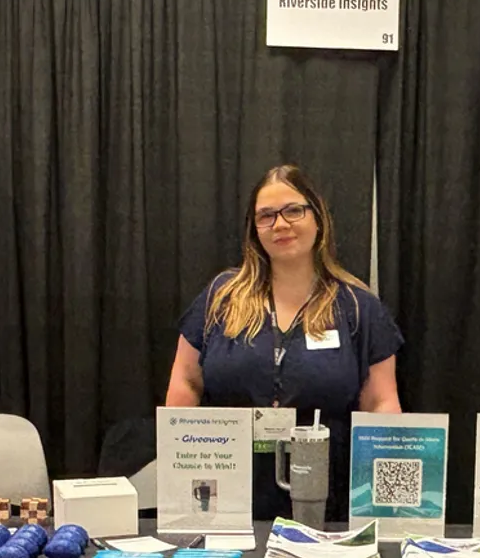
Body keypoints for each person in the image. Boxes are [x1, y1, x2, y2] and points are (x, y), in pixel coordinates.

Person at [165, 164, 404, 522]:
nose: (280, 224)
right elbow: (185, 382)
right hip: (227, 494)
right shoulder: (221, 297)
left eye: (293, 210)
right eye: (266, 216)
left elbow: (381, 403)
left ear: (318, 218)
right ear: (254, 228)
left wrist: (384, 506)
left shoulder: (358, 307)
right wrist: (178, 470)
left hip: (328, 496)